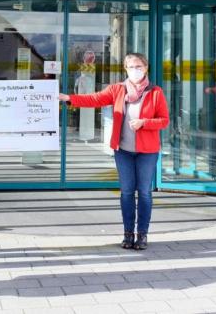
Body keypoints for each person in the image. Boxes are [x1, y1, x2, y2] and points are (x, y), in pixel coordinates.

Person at [58, 53, 169, 250]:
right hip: (123, 151)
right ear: (125, 69)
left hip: (147, 152)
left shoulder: (155, 92)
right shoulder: (118, 89)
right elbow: (95, 99)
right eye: (131, 67)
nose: (135, 70)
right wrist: (69, 98)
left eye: (138, 66)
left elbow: (164, 120)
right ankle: (128, 234)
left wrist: (144, 123)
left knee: (144, 192)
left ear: (146, 68)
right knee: (126, 192)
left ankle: (142, 234)